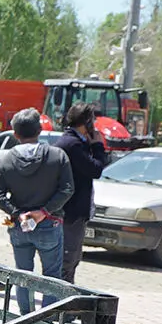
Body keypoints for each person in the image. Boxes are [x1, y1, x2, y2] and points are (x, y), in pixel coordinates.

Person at [0, 108, 74, 311]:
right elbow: (67, 189)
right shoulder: (57, 156)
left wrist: (18, 214)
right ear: (40, 130)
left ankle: (25, 319)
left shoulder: (6, 159)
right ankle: (46, 320)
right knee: (52, 276)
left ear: (15, 134)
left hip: (20, 227)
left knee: (23, 275)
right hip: (50, 224)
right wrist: (43, 212)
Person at [52, 102, 108, 284]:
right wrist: (98, 145)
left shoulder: (73, 142)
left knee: (72, 257)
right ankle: (62, 296)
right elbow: (95, 169)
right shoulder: (73, 145)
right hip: (71, 211)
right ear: (87, 122)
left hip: (72, 210)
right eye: (93, 121)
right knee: (68, 259)